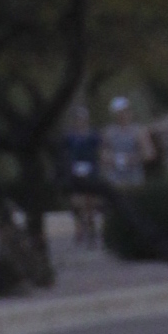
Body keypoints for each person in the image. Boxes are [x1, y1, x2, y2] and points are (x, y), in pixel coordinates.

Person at [58, 105, 103, 246]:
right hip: (75, 171)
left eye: (82, 119)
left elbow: (99, 151)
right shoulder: (69, 137)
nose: (80, 122)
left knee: (90, 202)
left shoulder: (93, 136)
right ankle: (79, 228)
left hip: (91, 170)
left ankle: (91, 229)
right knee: (77, 202)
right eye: (78, 119)